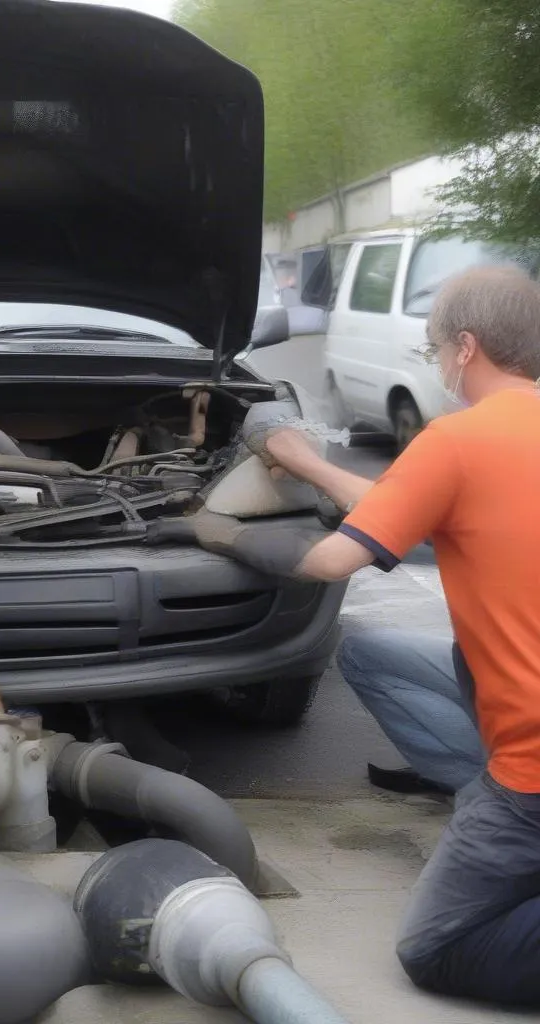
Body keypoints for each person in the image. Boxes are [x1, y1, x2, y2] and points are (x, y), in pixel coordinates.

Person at [187, 266, 540, 1006]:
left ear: (467, 348)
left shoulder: (458, 441)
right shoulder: (483, 446)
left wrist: (215, 533)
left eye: (437, 349)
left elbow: (327, 560)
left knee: (437, 947)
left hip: (535, 768)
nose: (438, 365)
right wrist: (306, 462)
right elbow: (398, 505)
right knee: (381, 656)